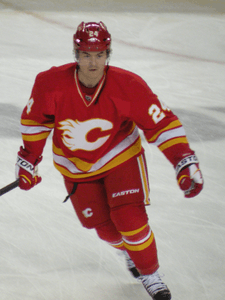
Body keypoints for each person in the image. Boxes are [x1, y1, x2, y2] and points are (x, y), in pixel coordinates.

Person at [15, 21, 203, 300]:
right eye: (87, 55)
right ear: (76, 55)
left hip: (120, 158)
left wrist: (183, 160)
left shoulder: (127, 85)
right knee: (106, 229)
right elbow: (35, 122)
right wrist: (28, 160)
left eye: (100, 54)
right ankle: (128, 251)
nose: (93, 62)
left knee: (129, 219)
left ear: (108, 54)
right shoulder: (50, 84)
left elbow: (161, 124)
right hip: (75, 167)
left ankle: (150, 274)